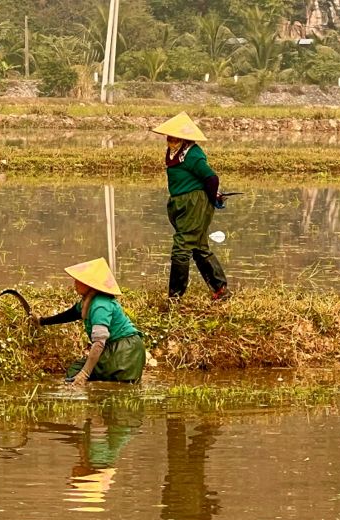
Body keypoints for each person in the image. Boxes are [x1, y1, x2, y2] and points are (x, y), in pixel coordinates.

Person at [152, 111, 231, 301]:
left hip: (194, 203)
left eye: (175, 137)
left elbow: (211, 178)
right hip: (181, 203)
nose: (171, 140)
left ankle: (175, 295)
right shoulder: (174, 153)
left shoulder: (193, 154)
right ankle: (220, 289)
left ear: (185, 139)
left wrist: (213, 198)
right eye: (169, 137)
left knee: (181, 246)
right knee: (198, 246)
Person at [32, 257, 145, 385]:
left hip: (124, 353)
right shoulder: (88, 301)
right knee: (78, 372)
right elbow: (70, 314)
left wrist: (84, 374)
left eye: (79, 281)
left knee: (80, 373)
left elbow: (99, 343)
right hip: (120, 350)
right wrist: (41, 321)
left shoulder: (100, 305)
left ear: (89, 284)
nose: (74, 283)